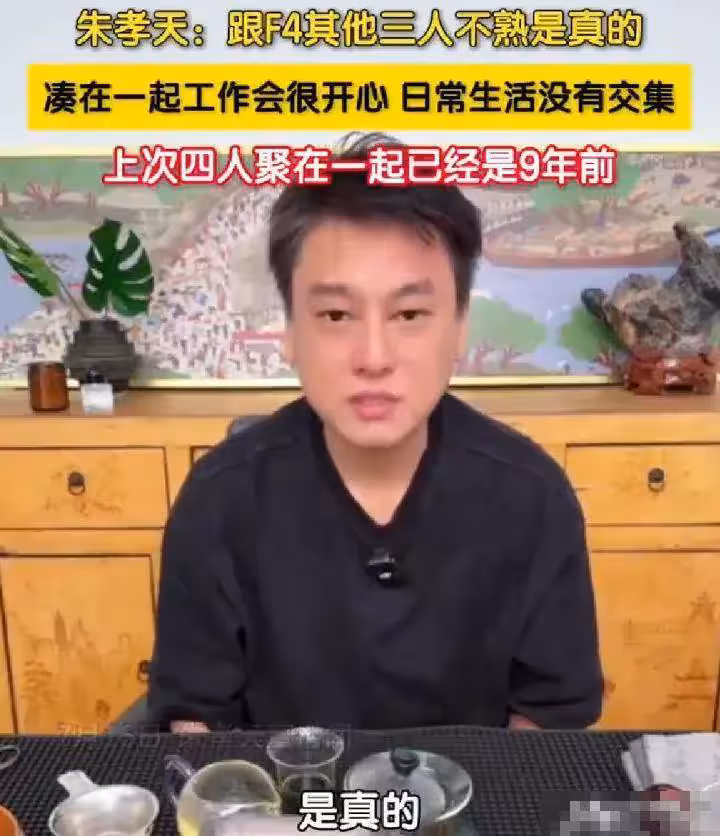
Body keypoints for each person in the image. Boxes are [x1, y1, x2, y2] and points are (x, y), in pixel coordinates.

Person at [147, 132, 604, 733]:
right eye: (336, 315)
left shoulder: (533, 497)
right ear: (290, 332)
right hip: (281, 791)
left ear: (460, 327)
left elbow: (547, 724)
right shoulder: (219, 500)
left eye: (409, 314)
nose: (373, 357)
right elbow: (195, 728)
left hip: (474, 792)